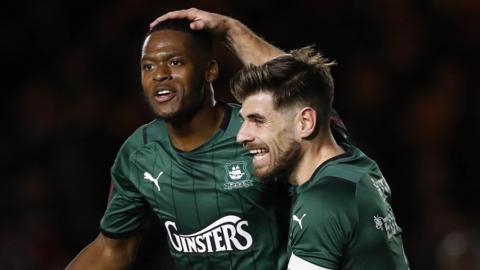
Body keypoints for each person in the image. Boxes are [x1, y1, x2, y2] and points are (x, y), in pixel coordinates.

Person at [66, 9, 290, 270]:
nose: (159, 74)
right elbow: (112, 250)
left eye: (175, 62)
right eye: (148, 66)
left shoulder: (259, 133)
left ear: (210, 71)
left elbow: (306, 94)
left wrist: (230, 30)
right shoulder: (140, 153)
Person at [232, 46, 409, 269]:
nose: (241, 135)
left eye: (258, 121)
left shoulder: (322, 203)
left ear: (305, 123)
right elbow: (302, 82)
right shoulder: (351, 157)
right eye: (243, 120)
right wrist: (230, 30)